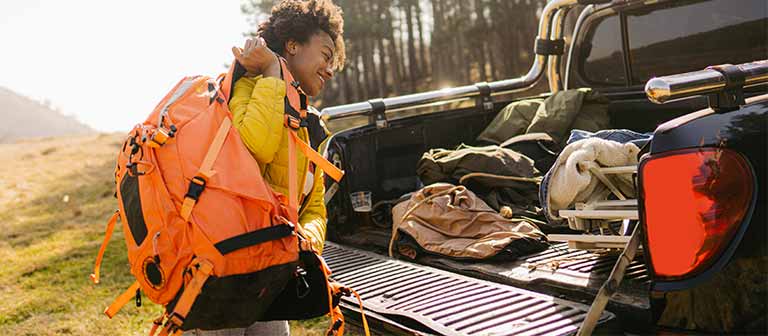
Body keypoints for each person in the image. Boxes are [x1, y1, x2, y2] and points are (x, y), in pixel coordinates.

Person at [183, 0, 345, 335]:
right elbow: (253, 148)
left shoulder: (309, 125)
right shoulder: (246, 88)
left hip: (267, 275)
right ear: (292, 44)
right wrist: (272, 72)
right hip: (220, 274)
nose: (330, 69)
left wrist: (307, 243)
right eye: (326, 55)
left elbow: (313, 207)